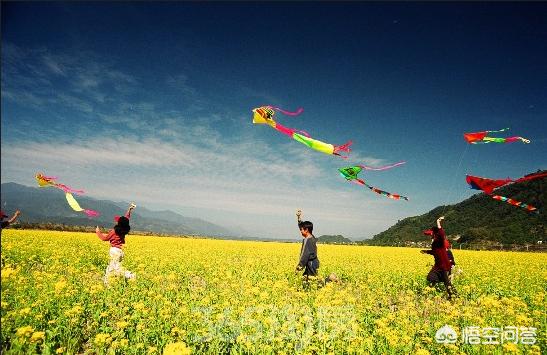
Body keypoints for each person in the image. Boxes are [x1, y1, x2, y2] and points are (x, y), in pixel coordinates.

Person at [96, 203, 136, 284]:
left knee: (116, 269)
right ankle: (106, 283)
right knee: (111, 268)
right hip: (120, 251)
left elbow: (104, 238)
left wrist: (98, 232)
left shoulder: (114, 231)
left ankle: (130, 275)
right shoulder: (123, 231)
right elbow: (126, 218)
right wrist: (129, 210)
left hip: (114, 251)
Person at [421, 216, 457, 300]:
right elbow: (435, 252)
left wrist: (438, 223)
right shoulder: (434, 243)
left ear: (434, 234)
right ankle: (432, 291)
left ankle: (455, 297)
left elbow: (441, 234)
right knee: (431, 277)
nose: (430, 235)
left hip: (444, 265)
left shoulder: (440, 241)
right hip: (438, 265)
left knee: (447, 284)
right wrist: (426, 251)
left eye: (431, 234)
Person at [295, 209, 320, 279]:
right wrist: (299, 218)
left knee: (312, 281)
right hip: (314, 263)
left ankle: (331, 279)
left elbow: (304, 255)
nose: (300, 231)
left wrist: (299, 267)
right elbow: (302, 225)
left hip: (311, 264)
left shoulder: (307, 240)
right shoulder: (312, 237)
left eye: (301, 230)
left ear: (306, 230)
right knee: (306, 280)